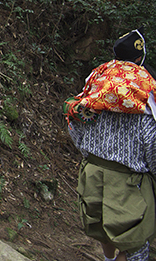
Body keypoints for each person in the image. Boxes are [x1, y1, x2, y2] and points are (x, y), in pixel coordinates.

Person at [67, 28, 156, 261]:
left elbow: (74, 122)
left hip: (93, 174)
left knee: (101, 227)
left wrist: (89, 152)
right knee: (135, 243)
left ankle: (108, 258)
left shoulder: (98, 81)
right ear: (140, 57)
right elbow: (151, 143)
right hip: (128, 183)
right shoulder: (145, 90)